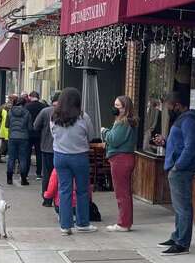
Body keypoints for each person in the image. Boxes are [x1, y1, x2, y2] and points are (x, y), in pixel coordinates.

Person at [51, 87, 98, 236]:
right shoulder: (83, 117)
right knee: (82, 190)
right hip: (79, 157)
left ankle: (65, 226)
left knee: (64, 190)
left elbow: (53, 135)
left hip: (60, 156)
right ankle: (82, 223)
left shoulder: (54, 117)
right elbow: (91, 136)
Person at [161, 97, 195, 254]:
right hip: (177, 168)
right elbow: (180, 143)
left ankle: (182, 243)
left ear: (178, 105)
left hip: (181, 171)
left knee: (183, 207)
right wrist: (165, 143)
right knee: (178, 207)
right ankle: (177, 235)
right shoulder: (183, 119)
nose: (168, 110)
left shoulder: (188, 121)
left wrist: (178, 166)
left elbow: (190, 146)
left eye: (170, 106)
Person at [103, 95, 138, 232]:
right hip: (125, 158)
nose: (115, 108)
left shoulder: (123, 123)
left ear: (125, 108)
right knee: (124, 192)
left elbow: (113, 139)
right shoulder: (127, 122)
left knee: (122, 193)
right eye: (115, 105)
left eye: (118, 106)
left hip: (120, 160)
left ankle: (123, 223)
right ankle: (125, 222)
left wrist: (104, 131)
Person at [32, 92, 58, 207]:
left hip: (47, 147)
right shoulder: (68, 112)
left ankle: (47, 199)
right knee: (61, 175)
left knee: (47, 175)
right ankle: (59, 200)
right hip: (62, 149)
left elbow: (35, 126)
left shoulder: (45, 111)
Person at [5, 95, 33, 186]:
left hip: (12, 137)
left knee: (11, 158)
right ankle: (23, 179)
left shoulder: (10, 111)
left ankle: (9, 178)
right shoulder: (27, 113)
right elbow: (30, 127)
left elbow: (7, 125)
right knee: (23, 158)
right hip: (24, 138)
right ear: (25, 104)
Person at [27, 91, 48, 176]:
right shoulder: (43, 107)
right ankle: (39, 173)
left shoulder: (27, 106)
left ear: (30, 97)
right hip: (40, 133)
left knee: (27, 153)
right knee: (39, 153)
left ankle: (26, 173)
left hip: (29, 133)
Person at [0, 95, 13, 164]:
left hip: (3, 128)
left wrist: (1, 119)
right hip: (8, 130)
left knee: (3, 145)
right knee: (6, 146)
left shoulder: (3, 107)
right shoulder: (12, 108)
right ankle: (0, 158)